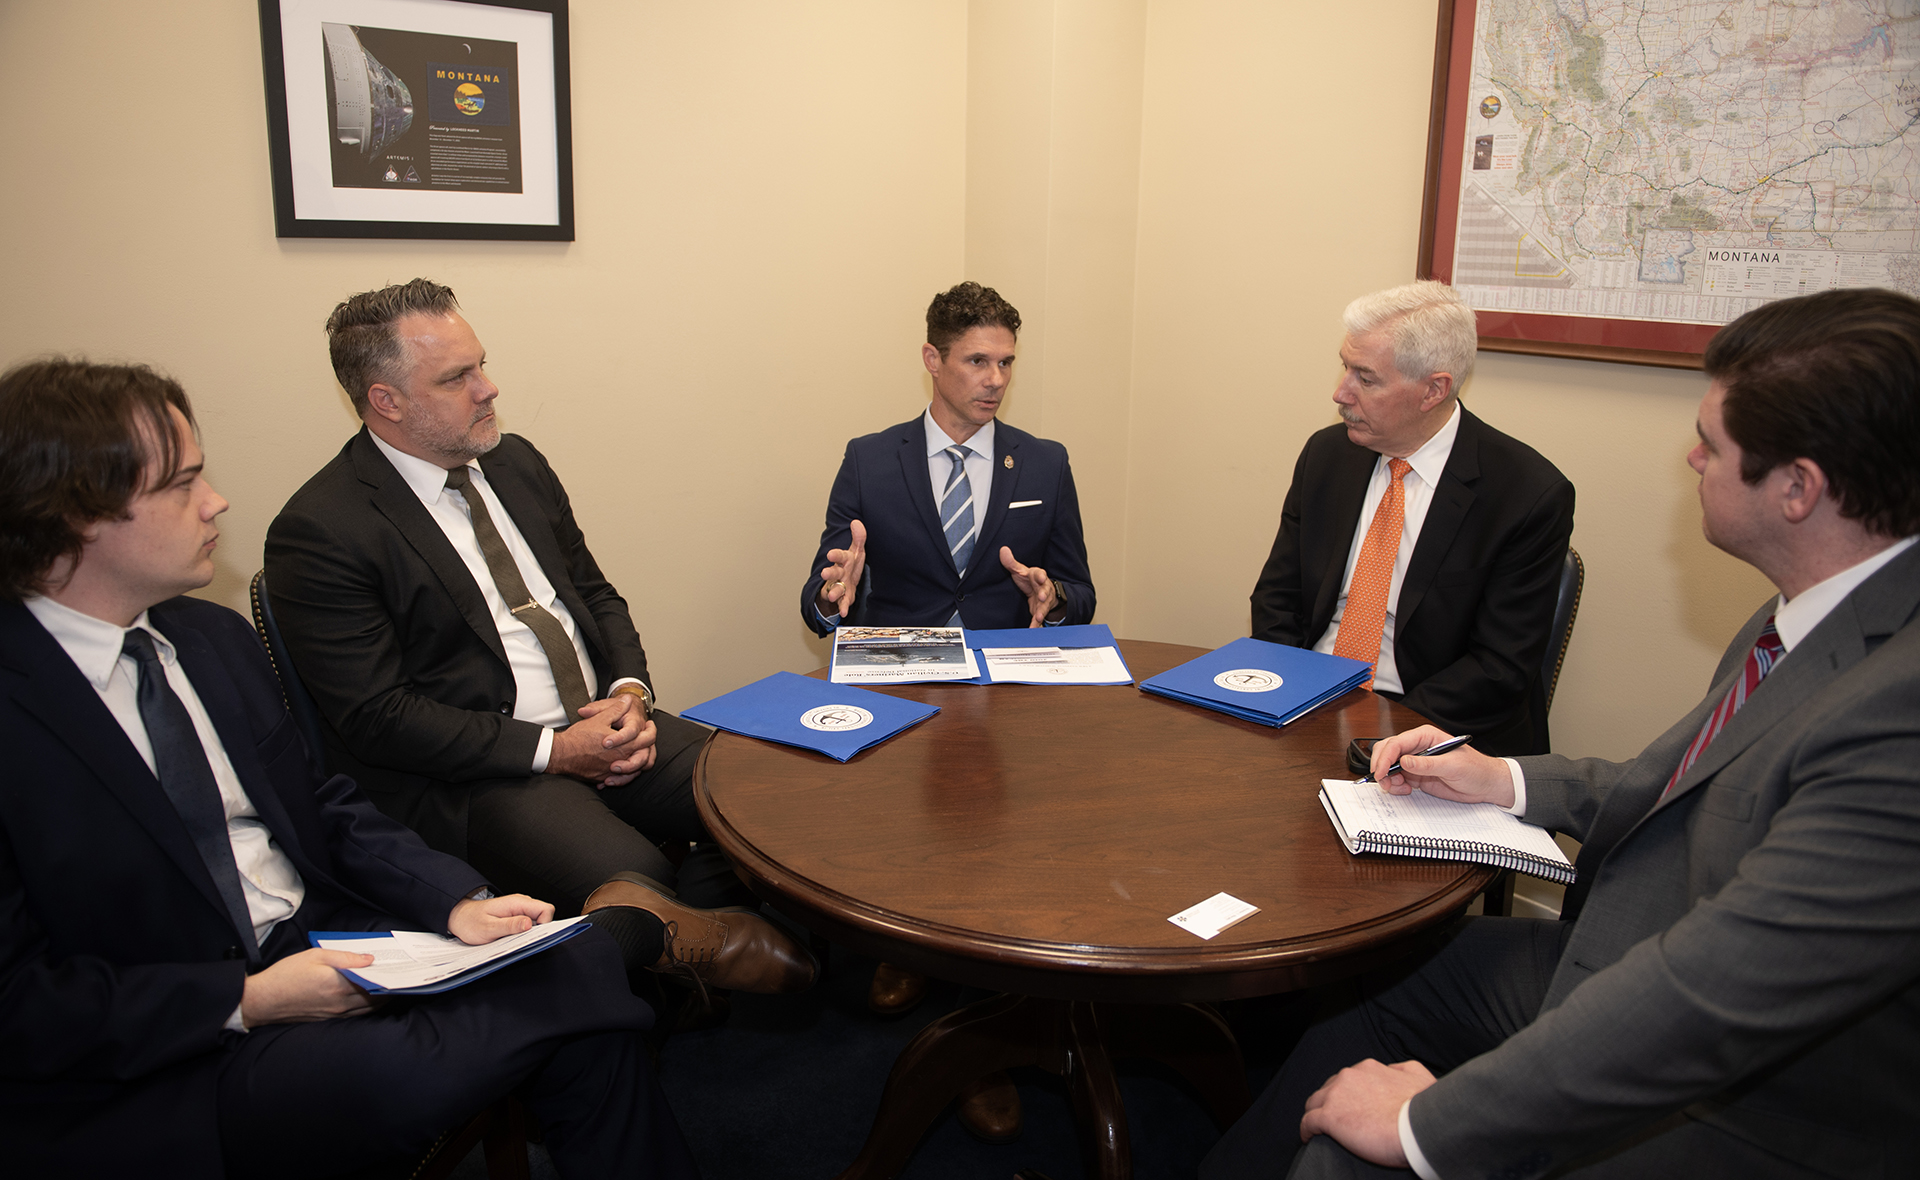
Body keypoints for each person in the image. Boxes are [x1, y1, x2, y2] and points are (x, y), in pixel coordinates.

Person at [1203, 287, 1920, 1179]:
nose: (1691, 457)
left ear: (1799, 489)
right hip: (1635, 948)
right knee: (1362, 996)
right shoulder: (1807, 616)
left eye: (1713, 443)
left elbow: (1716, 990)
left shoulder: (1897, 710)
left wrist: (1425, 1124)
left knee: (1344, 1161)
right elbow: (1685, 783)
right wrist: (1505, 780)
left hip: (1761, 1099)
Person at [0, 358, 699, 1177]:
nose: (216, 501)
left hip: (328, 938)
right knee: (446, 1052)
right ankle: (624, 955)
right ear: (81, 516)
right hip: (171, 1043)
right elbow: (19, 1000)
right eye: (184, 484)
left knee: (587, 1019)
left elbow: (323, 803)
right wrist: (246, 999)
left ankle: (594, 966)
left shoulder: (207, 638)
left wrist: (456, 902)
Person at [264, 279, 813, 1000]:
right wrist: (557, 751)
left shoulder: (515, 462)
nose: (488, 389)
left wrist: (630, 695)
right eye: (456, 378)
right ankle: (688, 961)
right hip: (482, 774)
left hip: (600, 722)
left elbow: (594, 595)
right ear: (386, 400)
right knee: (635, 874)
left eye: (482, 365)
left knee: (762, 794)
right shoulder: (322, 529)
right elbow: (380, 718)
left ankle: (698, 957)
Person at [798, 281, 1098, 1141]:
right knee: (914, 848)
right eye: (976, 361)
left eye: (1006, 362)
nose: (995, 379)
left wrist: (1053, 595)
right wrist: (835, 595)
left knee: (998, 865)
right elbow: (821, 596)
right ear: (932, 359)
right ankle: (909, 953)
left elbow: (1080, 591)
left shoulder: (1045, 462)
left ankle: (984, 1038)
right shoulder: (870, 458)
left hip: (1008, 693)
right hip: (905, 684)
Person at [1249, 281, 1573, 756]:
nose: (1340, 393)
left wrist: (1382, 733)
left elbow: (1498, 667)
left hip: (1432, 725)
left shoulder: (1527, 494)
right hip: (1307, 700)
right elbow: (1277, 598)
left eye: (1366, 379)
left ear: (1433, 390)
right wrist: (1289, 694)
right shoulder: (1328, 455)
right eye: (1345, 367)